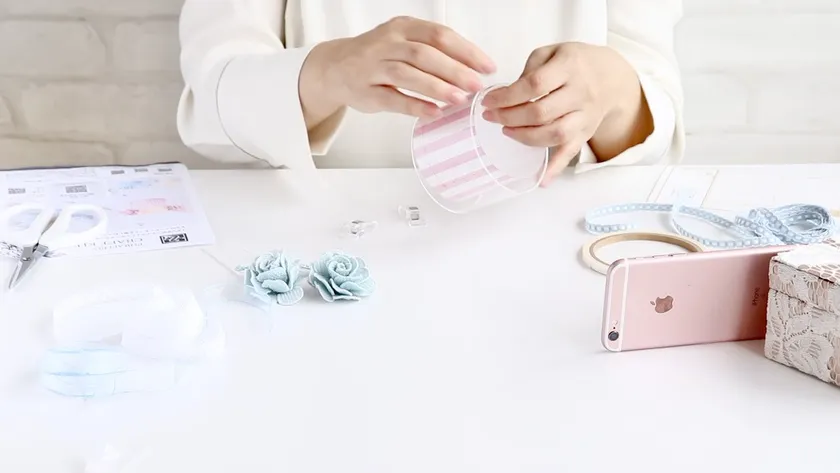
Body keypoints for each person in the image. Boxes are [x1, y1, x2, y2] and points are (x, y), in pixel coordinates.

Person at [177, 1, 684, 184]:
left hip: (551, 255)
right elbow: (212, 105)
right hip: (327, 257)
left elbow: (656, 113)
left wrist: (615, 90)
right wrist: (324, 74)